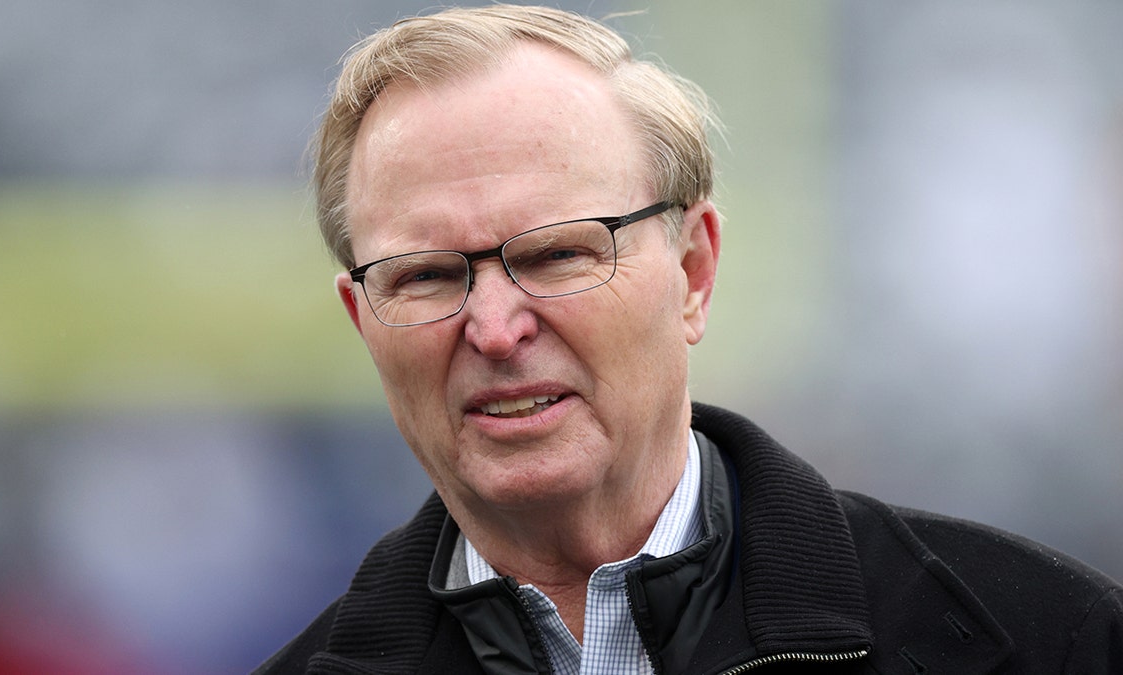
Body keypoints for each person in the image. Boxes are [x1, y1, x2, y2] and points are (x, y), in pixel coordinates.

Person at [256, 5, 1122, 673]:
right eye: (429, 275)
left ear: (694, 270)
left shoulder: (1055, 640)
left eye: (558, 254)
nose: (494, 326)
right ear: (364, 319)